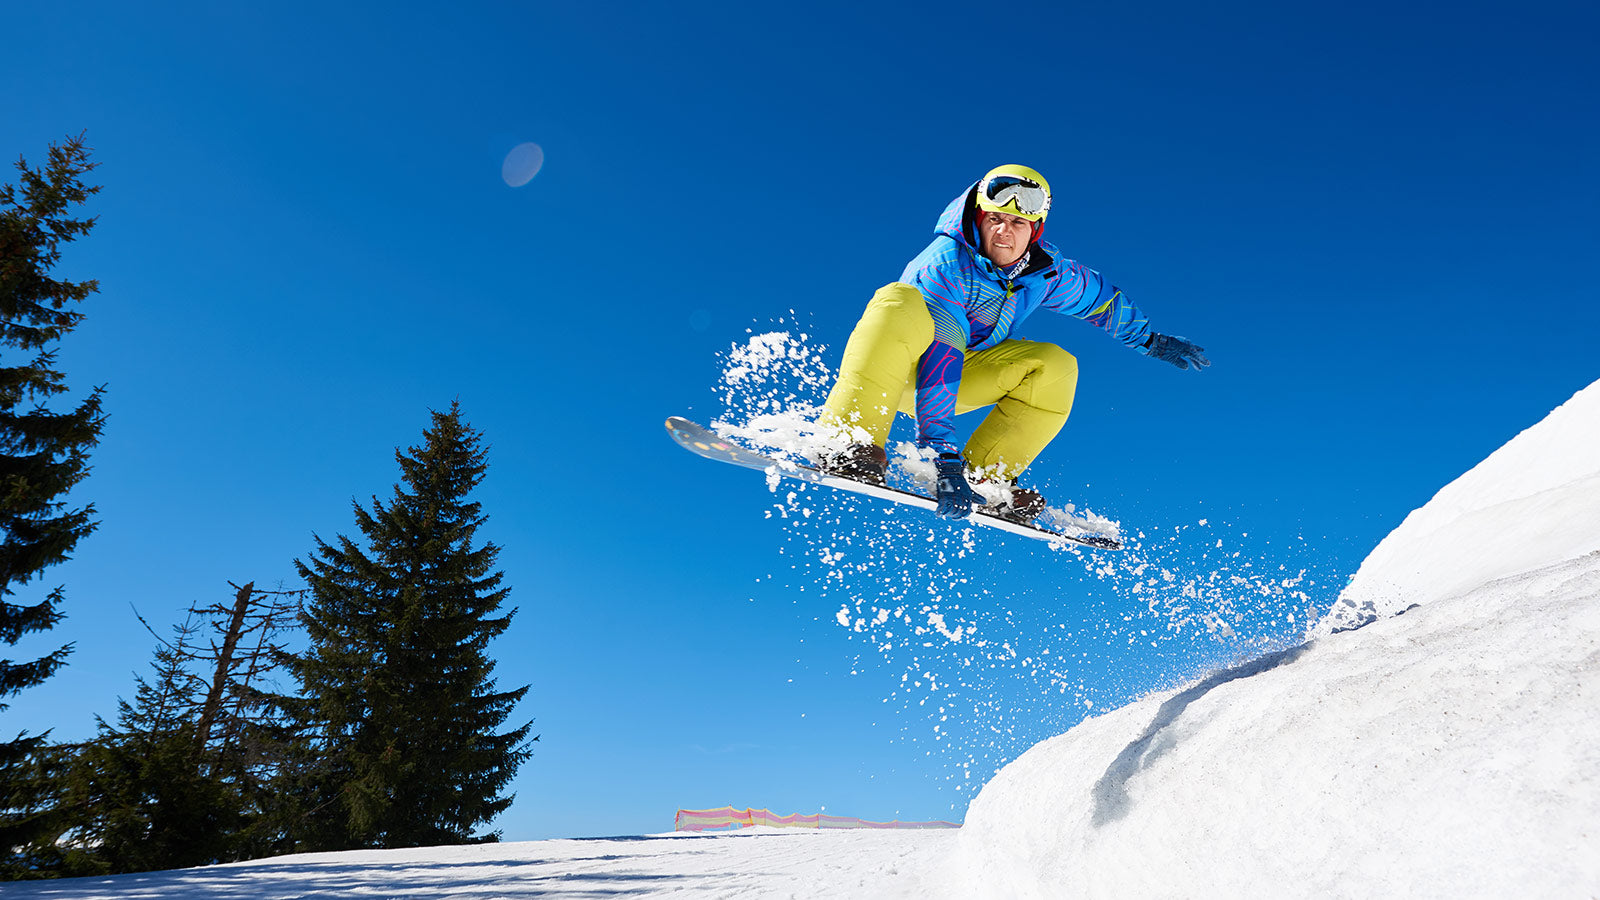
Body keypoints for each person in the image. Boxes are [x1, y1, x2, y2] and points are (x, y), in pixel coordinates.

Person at [818, 164, 1208, 521]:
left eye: (1018, 222)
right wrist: (944, 457)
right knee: (898, 301)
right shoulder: (945, 264)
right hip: (899, 371)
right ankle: (849, 441)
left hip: (962, 375)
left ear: (1035, 227)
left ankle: (987, 480)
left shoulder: (1042, 273)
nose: (1005, 231)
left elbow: (1101, 299)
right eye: (995, 219)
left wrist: (1150, 341)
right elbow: (941, 355)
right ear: (978, 219)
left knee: (1054, 365)